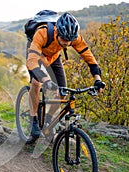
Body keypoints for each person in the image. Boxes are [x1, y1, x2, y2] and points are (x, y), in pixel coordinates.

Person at [26, 12, 105, 143]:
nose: (67, 43)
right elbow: (32, 63)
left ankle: (48, 120)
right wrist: (46, 81)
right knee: (36, 83)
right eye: (64, 40)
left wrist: (97, 79)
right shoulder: (42, 33)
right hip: (37, 55)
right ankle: (33, 120)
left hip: (54, 56)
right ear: (57, 32)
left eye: (70, 40)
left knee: (62, 91)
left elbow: (89, 57)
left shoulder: (72, 38)